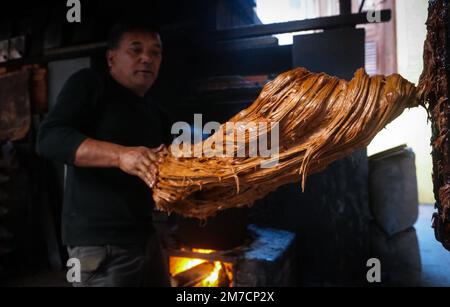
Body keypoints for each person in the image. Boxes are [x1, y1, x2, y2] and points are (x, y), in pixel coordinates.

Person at [37, 19, 172, 287]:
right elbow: (49, 138)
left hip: (146, 238)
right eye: (135, 50)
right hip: (100, 247)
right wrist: (121, 156)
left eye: (155, 52)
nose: (147, 58)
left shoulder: (155, 112)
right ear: (111, 57)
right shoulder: (90, 84)